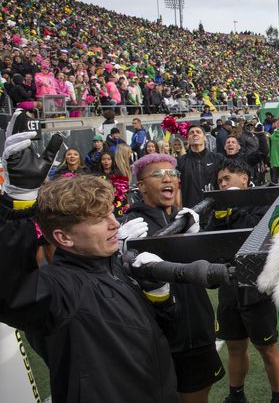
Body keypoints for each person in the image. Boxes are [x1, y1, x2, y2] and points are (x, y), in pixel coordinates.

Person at [0, 123, 178, 402]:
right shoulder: (61, 288)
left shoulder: (114, 266)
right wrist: (19, 203)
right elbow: (10, 291)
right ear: (63, 237)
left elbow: (158, 337)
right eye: (98, 219)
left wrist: (160, 297)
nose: (114, 224)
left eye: (110, 213)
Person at [124, 153, 224, 403]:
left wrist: (196, 240)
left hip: (197, 327)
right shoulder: (134, 226)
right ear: (141, 185)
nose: (167, 178)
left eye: (172, 174)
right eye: (158, 174)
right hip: (166, 335)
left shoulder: (183, 217)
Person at [206, 159, 279, 403]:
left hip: (256, 287)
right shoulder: (219, 210)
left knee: (267, 348)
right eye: (219, 181)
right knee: (234, 347)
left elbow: (259, 233)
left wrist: (233, 213)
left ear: (244, 178)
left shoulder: (262, 202)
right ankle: (236, 395)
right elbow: (210, 245)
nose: (222, 184)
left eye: (227, 178)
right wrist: (218, 218)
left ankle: (278, 397)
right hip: (229, 287)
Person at [176, 124, 225, 208]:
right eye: (191, 133)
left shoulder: (218, 158)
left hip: (214, 210)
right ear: (188, 139)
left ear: (205, 138)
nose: (195, 134)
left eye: (198, 132)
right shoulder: (180, 161)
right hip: (190, 211)